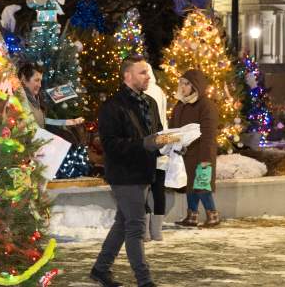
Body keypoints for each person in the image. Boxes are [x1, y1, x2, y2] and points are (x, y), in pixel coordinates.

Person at [90, 55, 172, 287]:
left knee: (123, 222)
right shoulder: (112, 106)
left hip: (145, 172)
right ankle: (144, 281)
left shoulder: (150, 103)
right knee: (136, 226)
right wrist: (144, 144)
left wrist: (173, 144)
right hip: (124, 175)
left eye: (148, 72)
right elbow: (110, 145)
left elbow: (156, 135)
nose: (148, 77)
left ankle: (100, 269)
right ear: (128, 76)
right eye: (142, 72)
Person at [170, 69, 220, 228]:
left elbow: (209, 134)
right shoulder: (180, 105)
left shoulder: (206, 106)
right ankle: (191, 215)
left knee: (201, 185)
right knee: (190, 185)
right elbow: (173, 128)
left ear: (195, 86)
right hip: (185, 153)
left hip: (201, 153)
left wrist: (206, 158)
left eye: (187, 84)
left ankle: (213, 215)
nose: (183, 87)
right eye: (181, 83)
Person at [143, 65, 169, 241]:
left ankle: (144, 232)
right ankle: (157, 232)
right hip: (162, 144)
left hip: (148, 147)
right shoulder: (159, 91)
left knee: (143, 189)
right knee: (159, 189)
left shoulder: (144, 94)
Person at [17, 62, 84, 128]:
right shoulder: (19, 100)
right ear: (24, 80)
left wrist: (69, 122)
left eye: (40, 81)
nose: (40, 85)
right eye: (36, 80)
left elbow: (41, 121)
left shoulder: (35, 97)